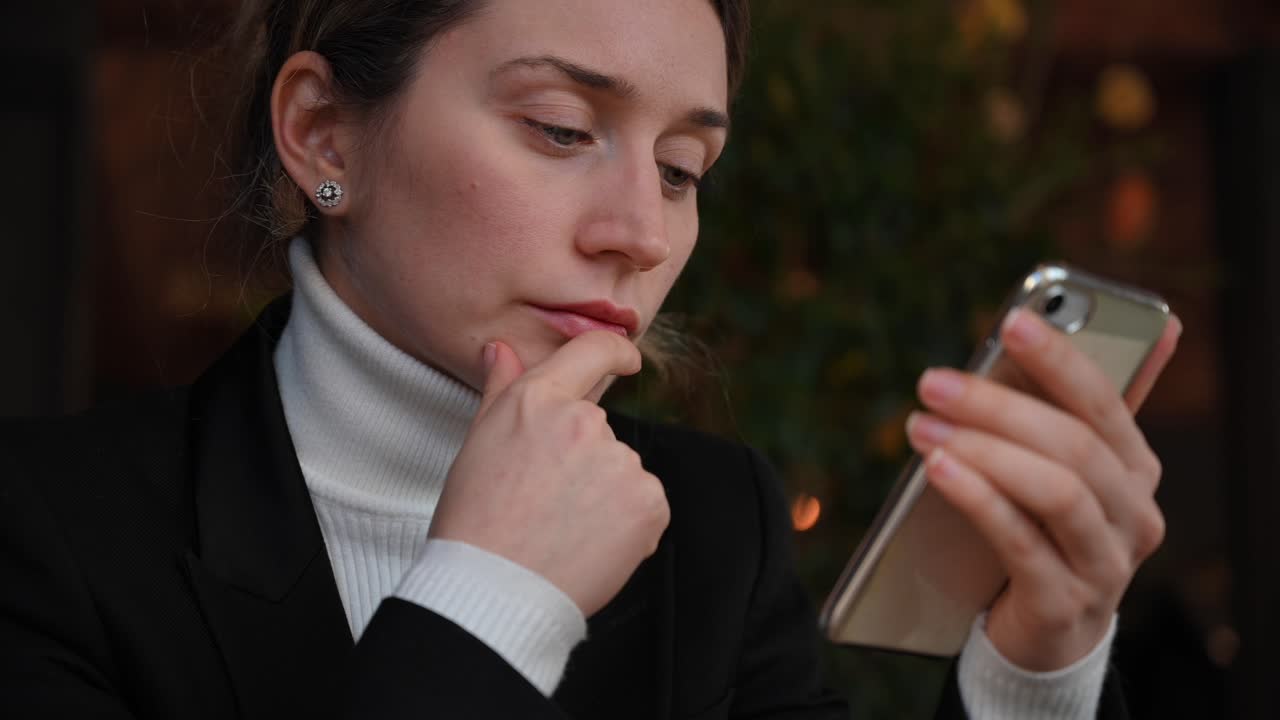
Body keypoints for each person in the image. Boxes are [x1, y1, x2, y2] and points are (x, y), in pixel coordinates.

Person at [0, 1, 1180, 718]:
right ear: (321, 134)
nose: (643, 231)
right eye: (562, 129)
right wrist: (489, 599)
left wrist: (1036, 673)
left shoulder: (711, 527)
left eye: (679, 168)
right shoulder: (46, 532)